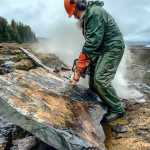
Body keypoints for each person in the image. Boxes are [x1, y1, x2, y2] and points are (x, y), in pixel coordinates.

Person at [64, 0, 125, 122]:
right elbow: (92, 43)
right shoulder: (88, 17)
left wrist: (81, 64)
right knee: (92, 84)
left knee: (100, 80)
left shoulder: (94, 13)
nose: (75, 17)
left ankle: (117, 109)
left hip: (112, 48)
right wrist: (82, 65)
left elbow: (92, 43)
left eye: (74, 13)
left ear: (78, 6)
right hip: (101, 49)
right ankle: (103, 104)